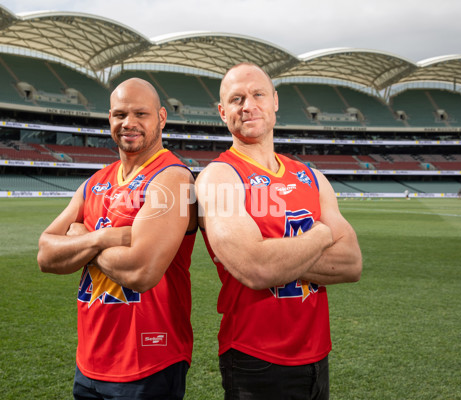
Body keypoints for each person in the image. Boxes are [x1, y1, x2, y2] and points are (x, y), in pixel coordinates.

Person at [195, 63, 363, 400]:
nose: (248, 105)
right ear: (222, 111)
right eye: (236, 98)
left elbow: (351, 263)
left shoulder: (312, 177)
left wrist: (272, 252)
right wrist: (319, 235)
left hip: (318, 354)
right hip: (255, 357)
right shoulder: (219, 177)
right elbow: (256, 268)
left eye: (257, 94)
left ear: (274, 101)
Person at [37, 78, 197, 400]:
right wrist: (106, 238)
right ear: (109, 118)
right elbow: (45, 254)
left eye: (141, 114)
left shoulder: (174, 178)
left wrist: (84, 239)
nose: (129, 123)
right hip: (89, 363)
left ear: (162, 118)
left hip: (149, 362)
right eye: (120, 114)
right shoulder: (95, 182)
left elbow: (142, 271)